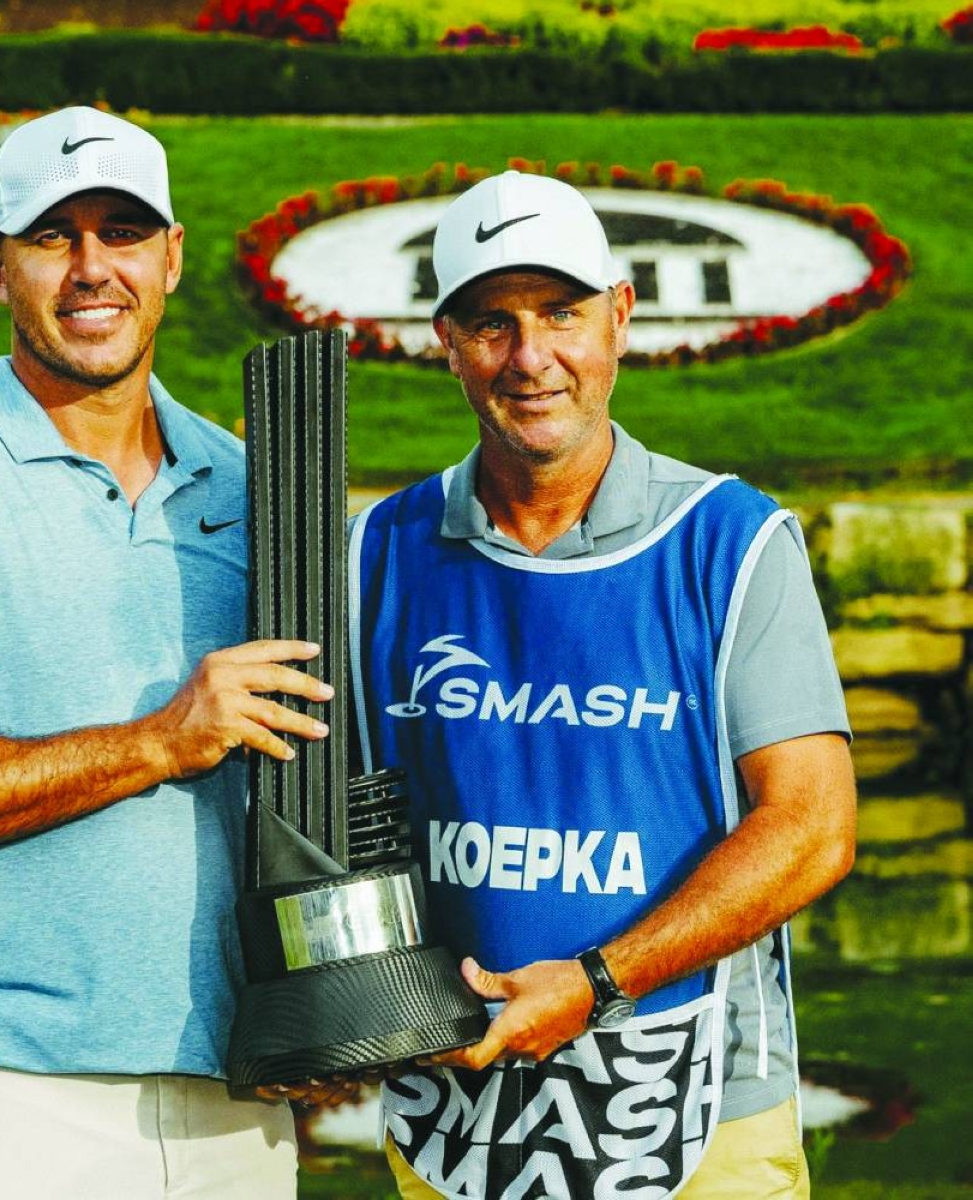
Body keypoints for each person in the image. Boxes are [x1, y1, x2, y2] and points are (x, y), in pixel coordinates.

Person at [0, 106, 332, 1199]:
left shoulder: (257, 484)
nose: (93, 269)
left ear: (173, 257)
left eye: (124, 231)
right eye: (53, 236)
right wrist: (156, 743)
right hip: (10, 1099)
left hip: (239, 1097)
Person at [346, 170, 857, 1199]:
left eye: (561, 314)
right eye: (492, 323)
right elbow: (338, 833)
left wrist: (598, 983)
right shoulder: (376, 552)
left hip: (702, 1121)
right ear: (444, 342)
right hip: (454, 1126)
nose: (532, 358)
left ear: (620, 318)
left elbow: (812, 827)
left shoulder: (730, 542)